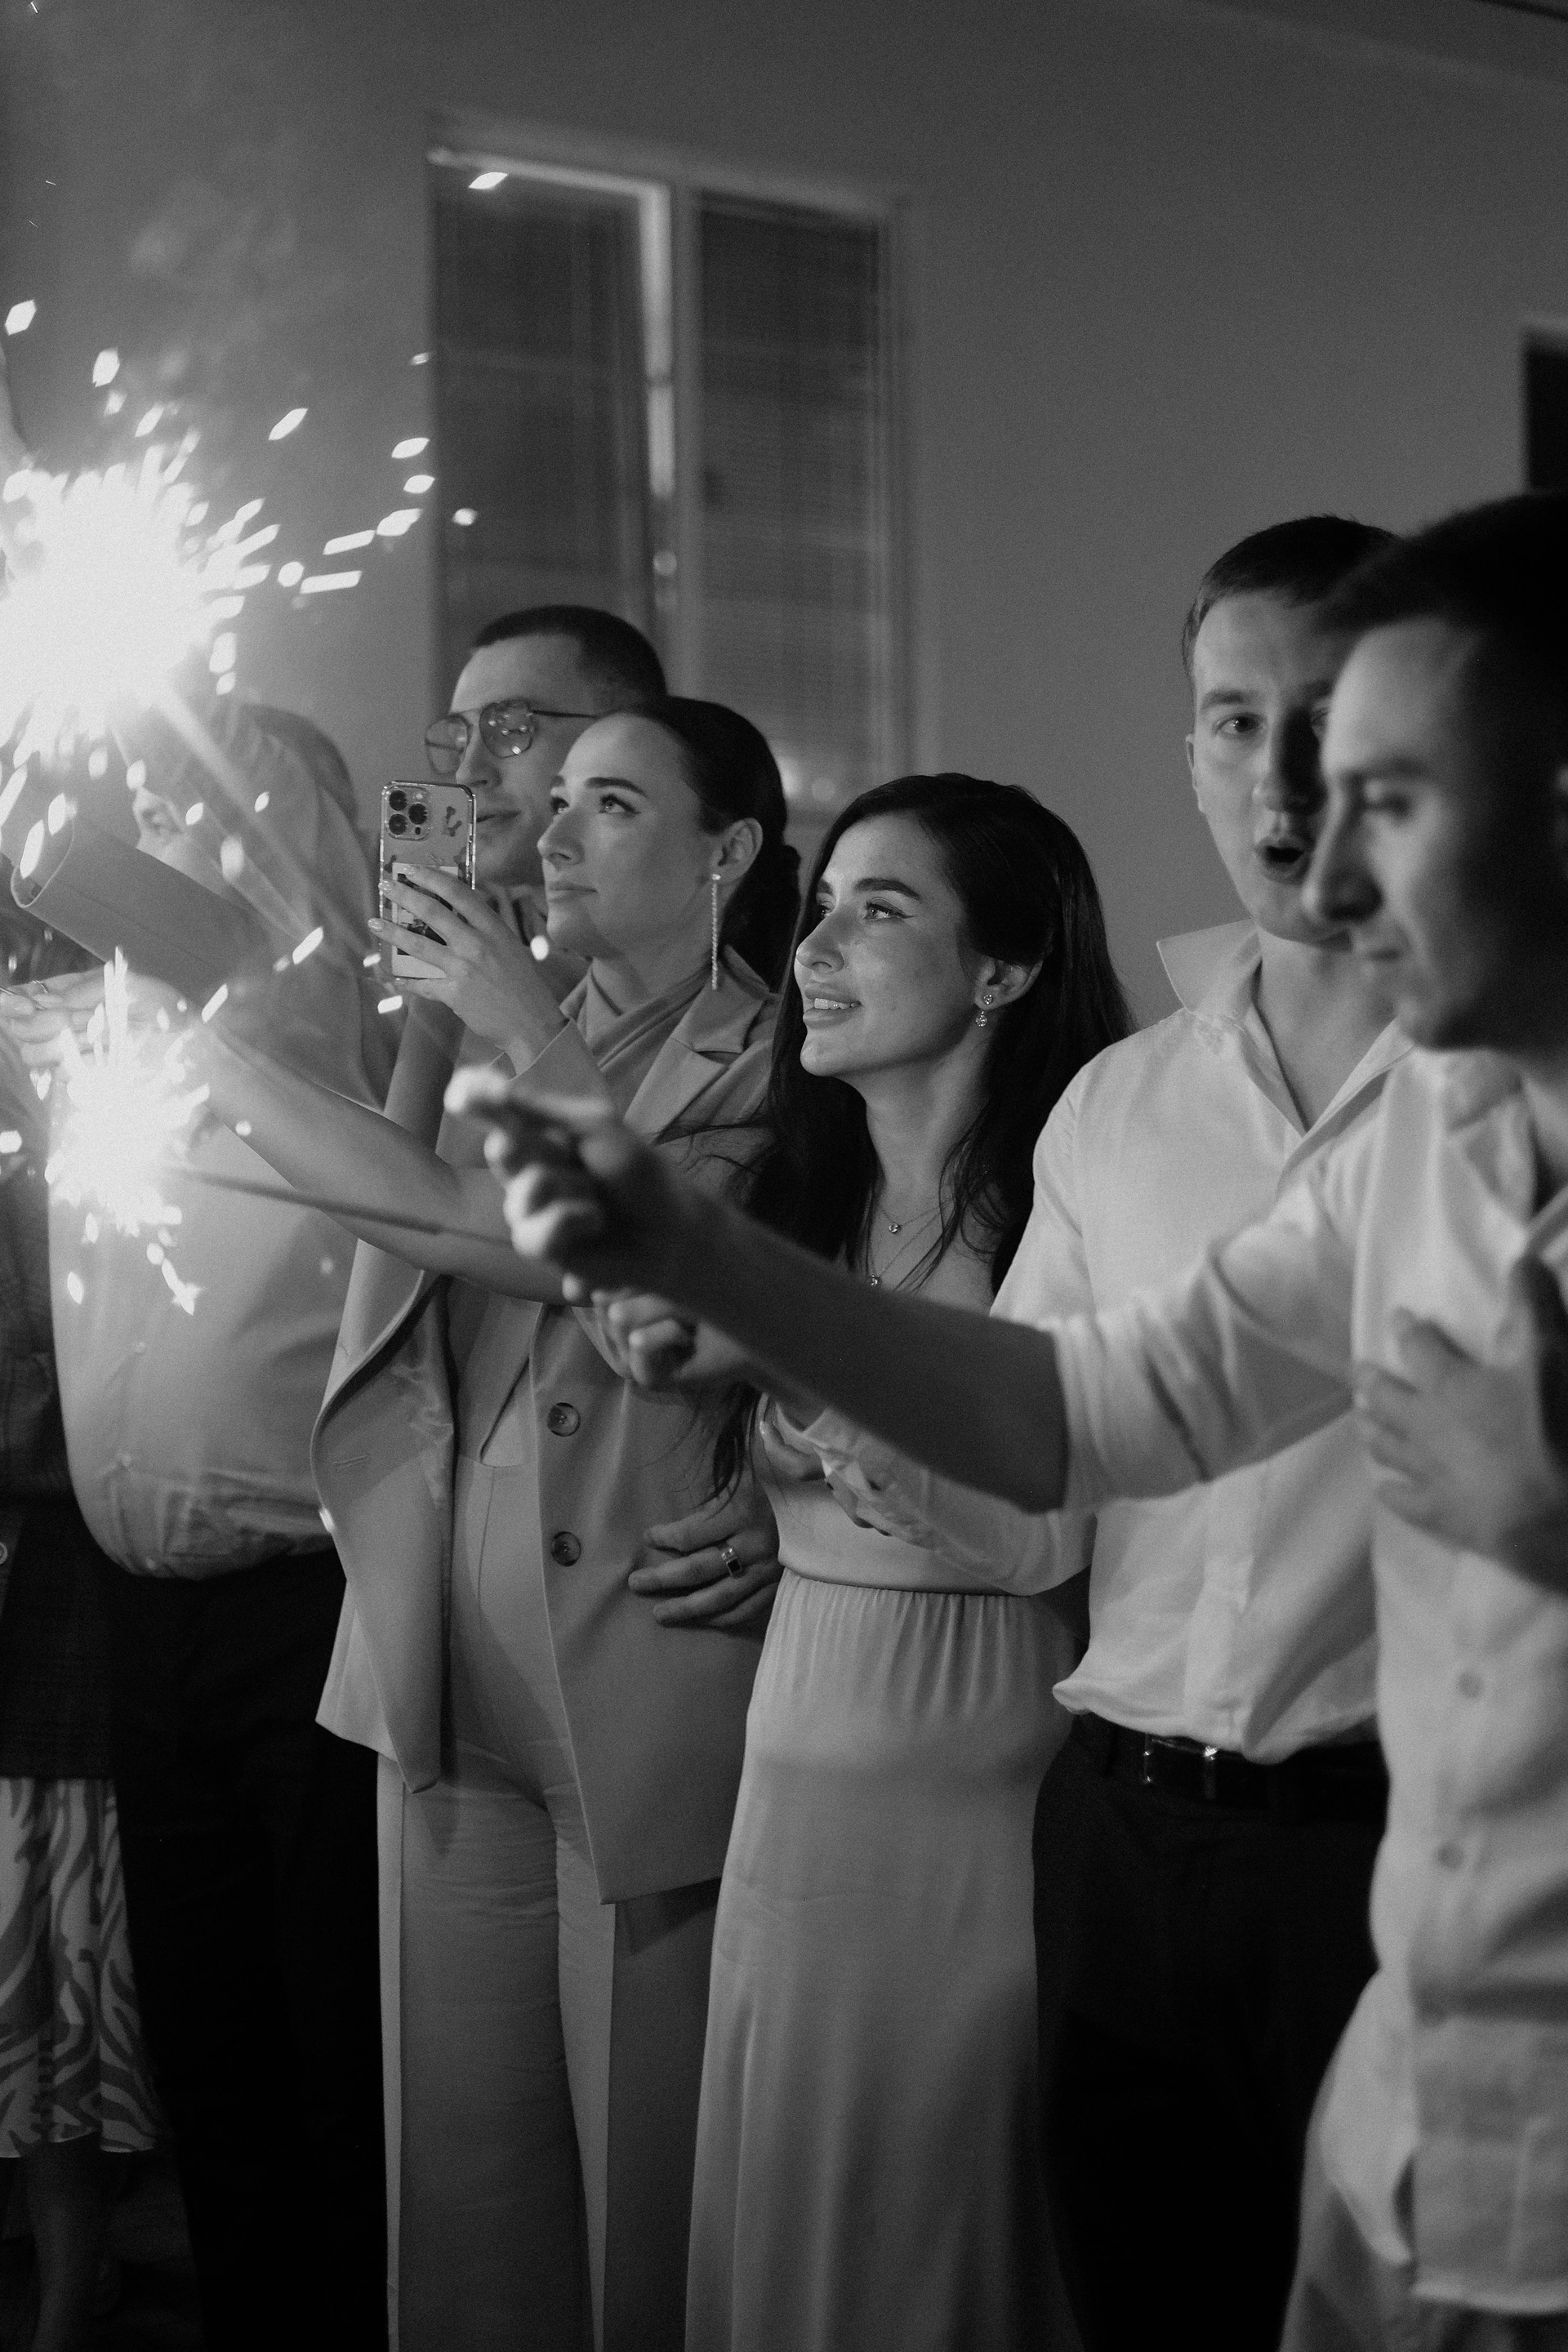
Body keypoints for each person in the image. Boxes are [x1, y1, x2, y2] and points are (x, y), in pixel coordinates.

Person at [472, 492, 1568, 2351]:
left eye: (1390, 793)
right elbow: (1102, 1404)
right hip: (1422, 2053)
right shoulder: (1421, 1142)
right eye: (1255, 740)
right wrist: (716, 1264)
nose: (1319, 861)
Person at [171, 694, 797, 2352]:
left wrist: (512, 1022)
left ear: (728, 850)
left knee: (643, 2204)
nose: (556, 835)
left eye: (612, 806)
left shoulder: (779, 1059)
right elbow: (401, 1204)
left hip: (644, 1658)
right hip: (445, 1656)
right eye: (555, 801)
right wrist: (218, 1045)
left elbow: (564, 1237)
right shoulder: (475, 1035)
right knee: (460, 2206)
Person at [607, 775, 1129, 2351]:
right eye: (821, 904)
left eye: (880, 910)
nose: (818, 947)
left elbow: (1045, 1526)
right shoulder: (797, 1201)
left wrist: (796, 1360)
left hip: (974, 1793)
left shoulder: (1065, 1215)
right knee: (787, 2231)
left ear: (1005, 969)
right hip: (788, 1785)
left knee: (934, 2247)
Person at [0, 672, 393, 2352]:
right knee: (212, 2053)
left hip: (305, 1608)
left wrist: (90, 716)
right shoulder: (95, 1038)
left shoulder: (304, 1000)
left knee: (328, 2048)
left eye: (219, 804)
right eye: (161, 808)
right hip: (138, 1618)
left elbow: (136, 884)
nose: (179, 833)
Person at [0, 925, 159, 2352]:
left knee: (59, 1980)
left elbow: (74, 1382)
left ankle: (71, 2284)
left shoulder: (78, 1106)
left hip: (66, 1600)